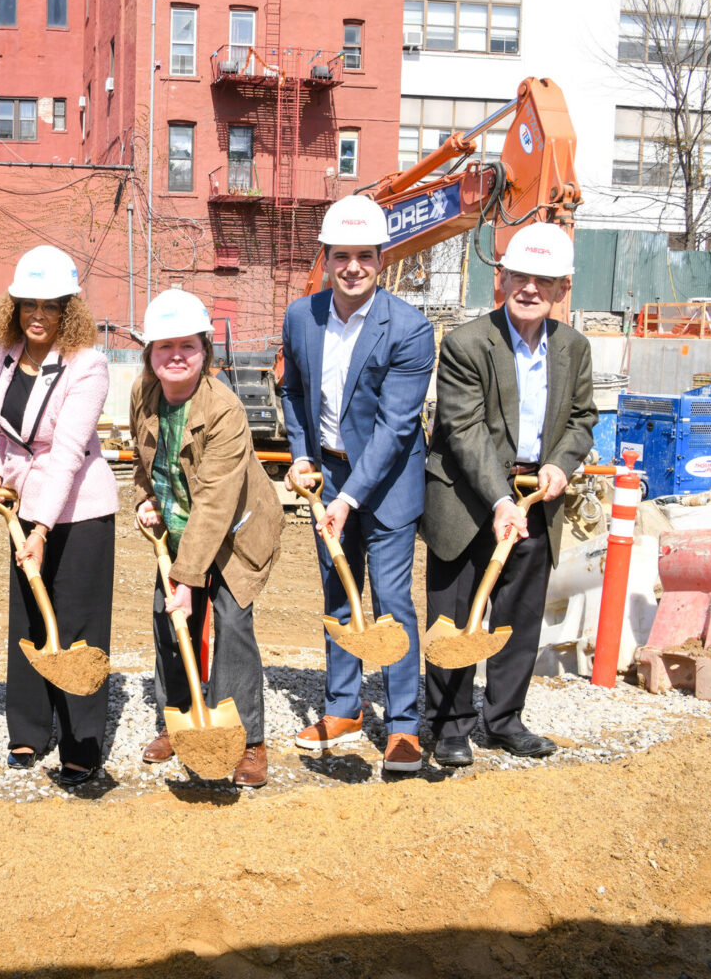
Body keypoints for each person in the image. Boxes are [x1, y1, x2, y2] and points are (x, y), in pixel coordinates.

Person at [422, 222, 597, 767]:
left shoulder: (574, 347)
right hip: (467, 499)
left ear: (562, 290)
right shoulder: (466, 343)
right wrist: (500, 502)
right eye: (519, 276)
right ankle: (449, 724)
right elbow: (462, 429)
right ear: (501, 279)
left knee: (517, 615)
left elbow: (582, 419)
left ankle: (504, 719)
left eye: (543, 281)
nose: (529, 288)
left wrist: (561, 466)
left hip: (536, 496)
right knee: (455, 614)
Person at [278, 194, 435, 773]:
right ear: (326, 257)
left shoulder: (410, 329)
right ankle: (344, 707)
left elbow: (396, 428)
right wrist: (300, 456)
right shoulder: (302, 316)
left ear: (381, 258)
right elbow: (293, 392)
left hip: (388, 481)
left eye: (364, 256)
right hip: (329, 473)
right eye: (341, 256)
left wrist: (347, 498)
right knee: (339, 595)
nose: (352, 268)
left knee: (392, 601)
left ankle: (402, 726)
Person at [128, 289, 283, 788]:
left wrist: (188, 579)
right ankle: (179, 719)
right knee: (168, 619)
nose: (176, 355)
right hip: (177, 526)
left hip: (236, 531)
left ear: (205, 352)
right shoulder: (142, 395)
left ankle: (250, 742)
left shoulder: (226, 409)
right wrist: (142, 501)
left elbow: (216, 502)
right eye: (164, 345)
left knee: (232, 625)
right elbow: (142, 463)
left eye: (188, 346)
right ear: (150, 354)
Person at [0, 244, 117, 787]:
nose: (37, 315)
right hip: (23, 500)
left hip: (78, 508)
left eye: (50, 305)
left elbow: (66, 455)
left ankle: (82, 738)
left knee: (78, 624)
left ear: (69, 309)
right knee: (29, 619)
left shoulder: (90, 365)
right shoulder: (5, 353)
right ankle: (31, 728)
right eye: (28, 304)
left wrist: (40, 530)